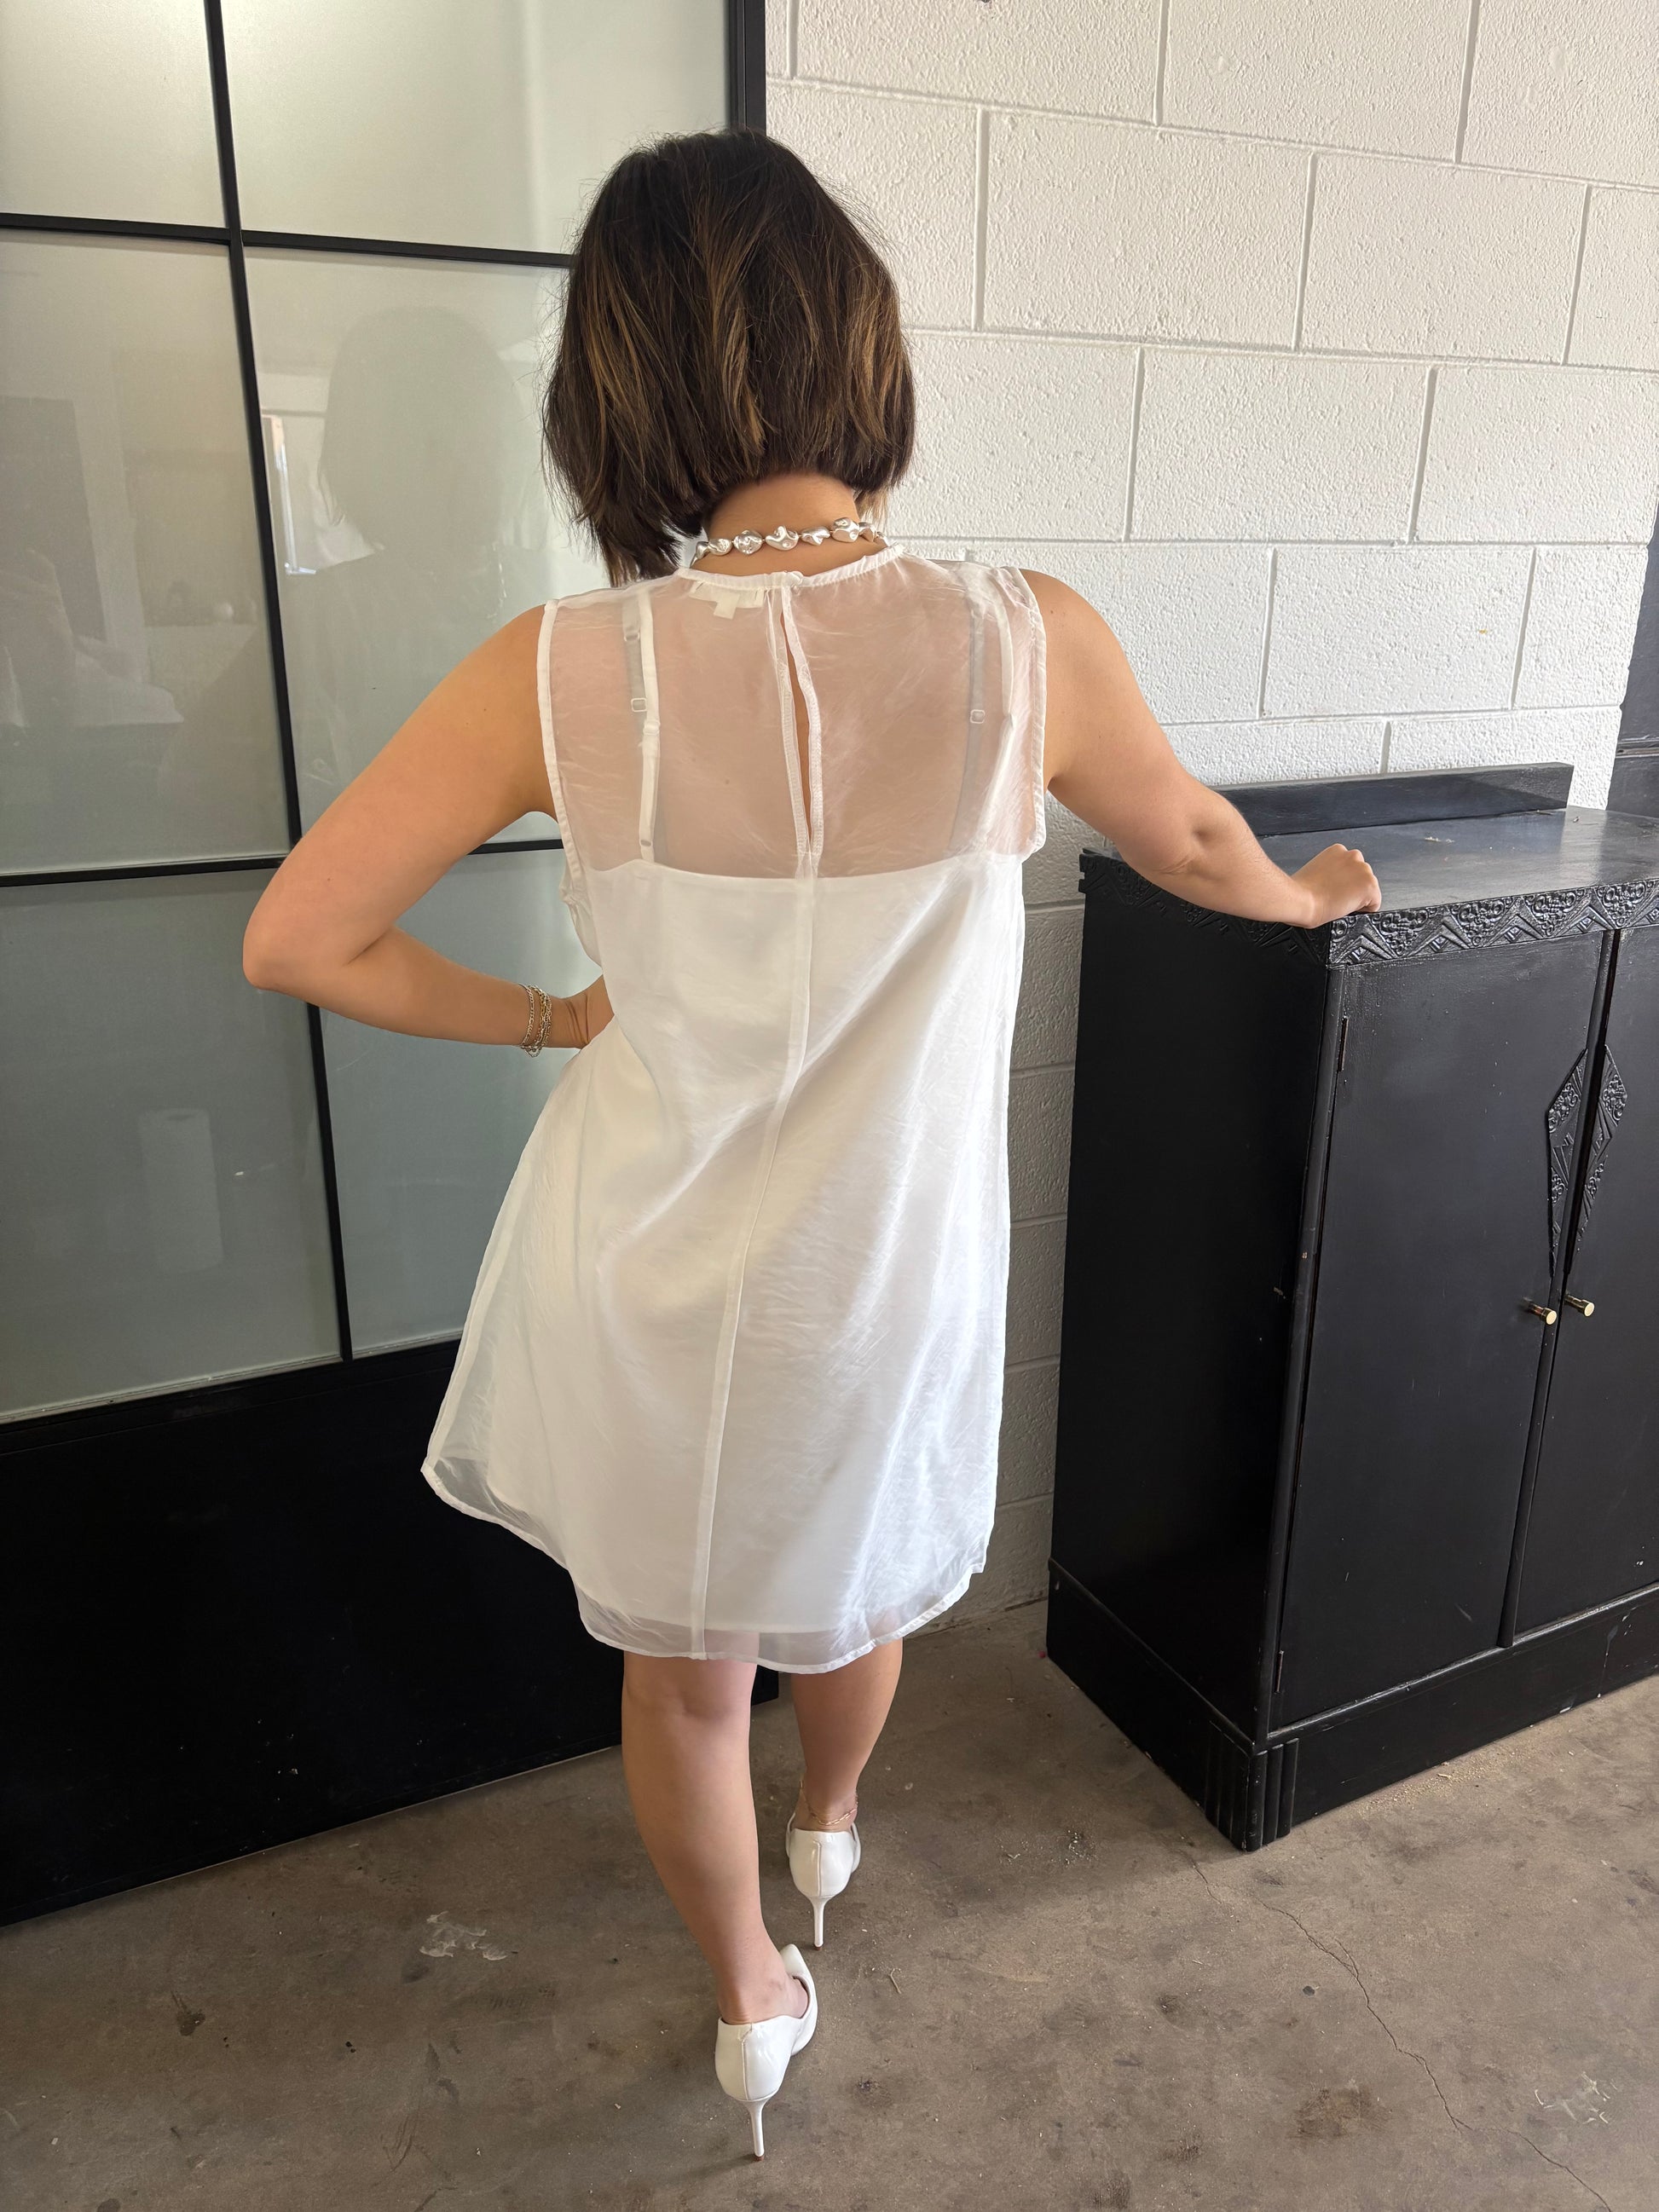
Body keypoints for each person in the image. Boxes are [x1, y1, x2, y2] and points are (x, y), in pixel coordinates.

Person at [241, 127, 1380, 2159]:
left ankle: (749, 1993)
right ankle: (832, 1824)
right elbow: (1201, 838)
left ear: (616, 392)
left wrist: (549, 1017)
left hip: (650, 1271)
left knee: (682, 1675)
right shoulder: (1021, 636)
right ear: (859, 346)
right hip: (883, 1265)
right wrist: (1304, 896)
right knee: (852, 1602)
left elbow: (298, 936)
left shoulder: (556, 671)